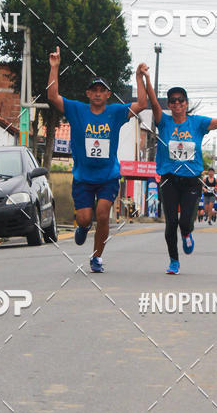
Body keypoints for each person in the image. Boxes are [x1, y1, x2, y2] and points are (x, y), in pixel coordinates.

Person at [47, 46, 148, 273]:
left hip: (108, 176)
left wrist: (138, 77)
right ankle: (82, 228)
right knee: (85, 218)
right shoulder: (77, 110)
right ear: (88, 94)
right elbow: (52, 96)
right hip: (83, 177)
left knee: (102, 214)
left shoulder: (115, 112)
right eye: (94, 90)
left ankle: (97, 257)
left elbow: (142, 104)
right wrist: (54, 67)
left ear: (108, 95)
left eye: (102, 90)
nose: (98, 93)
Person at [144, 77, 217, 274]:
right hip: (169, 179)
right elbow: (153, 101)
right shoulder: (163, 122)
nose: (177, 103)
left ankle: (187, 233)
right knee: (171, 222)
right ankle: (174, 261)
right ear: (169, 105)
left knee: (184, 222)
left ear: (186, 103)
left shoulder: (197, 123)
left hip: (191, 181)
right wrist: (146, 77)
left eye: (181, 100)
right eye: (172, 101)